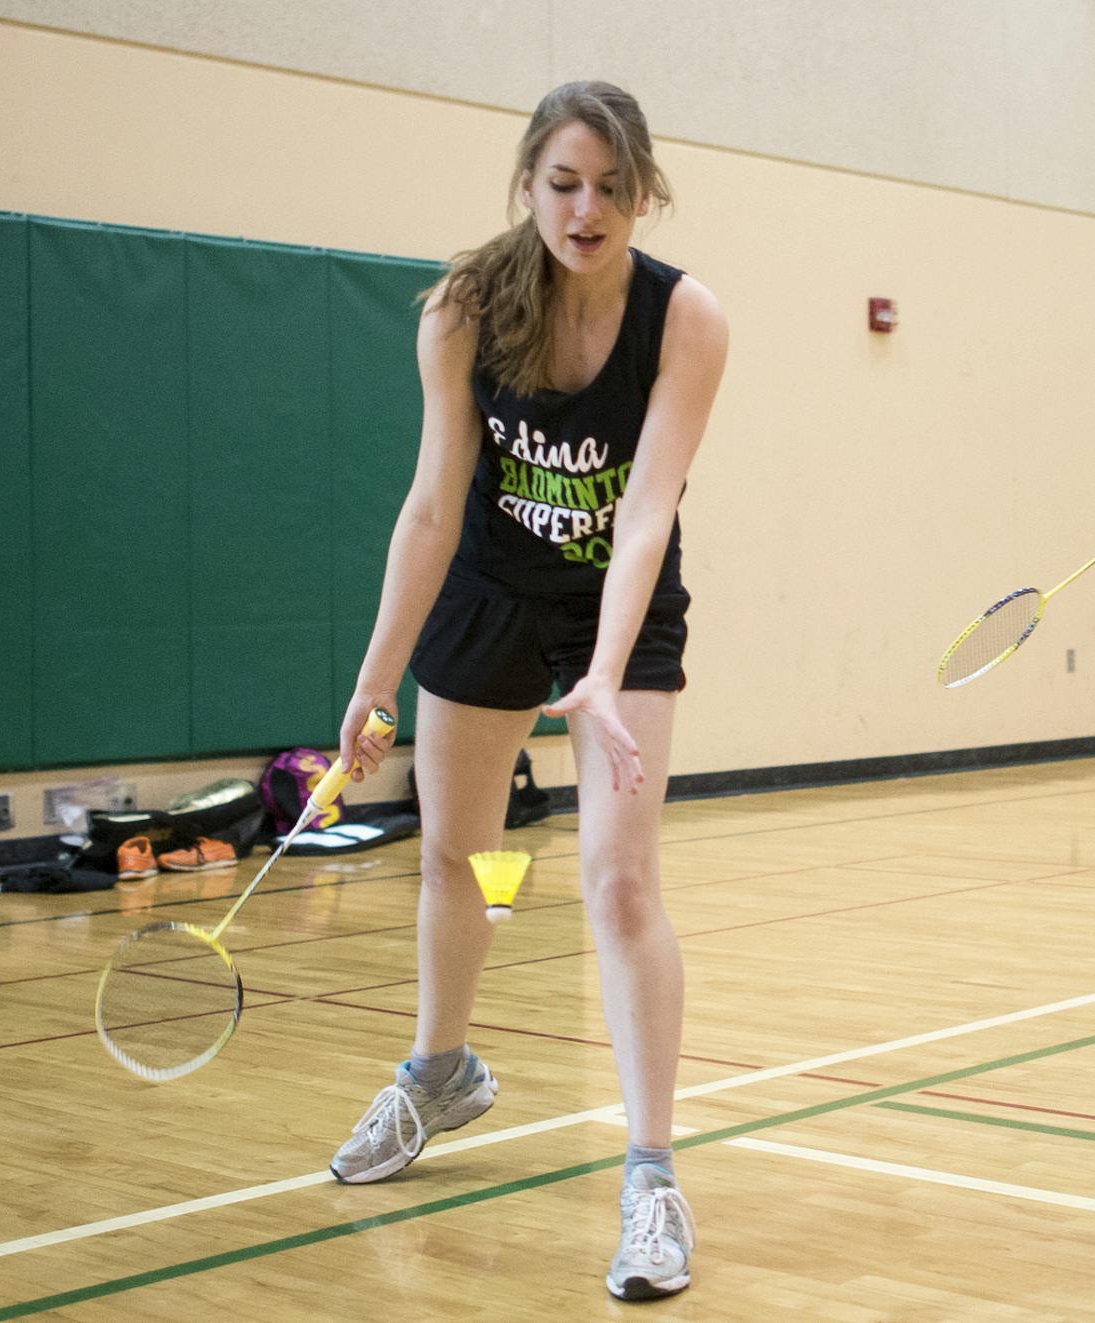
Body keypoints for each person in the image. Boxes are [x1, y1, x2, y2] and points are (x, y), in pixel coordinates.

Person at [325, 80, 729, 1299]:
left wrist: (605, 673)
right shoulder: (462, 310)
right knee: (454, 855)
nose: (587, 207)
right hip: (492, 590)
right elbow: (434, 506)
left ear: (644, 191)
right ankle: (439, 1074)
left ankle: (652, 1179)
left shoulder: (686, 319)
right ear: (528, 185)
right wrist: (373, 682)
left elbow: (649, 505)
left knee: (618, 876)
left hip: (620, 595)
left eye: (612, 185)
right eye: (564, 182)